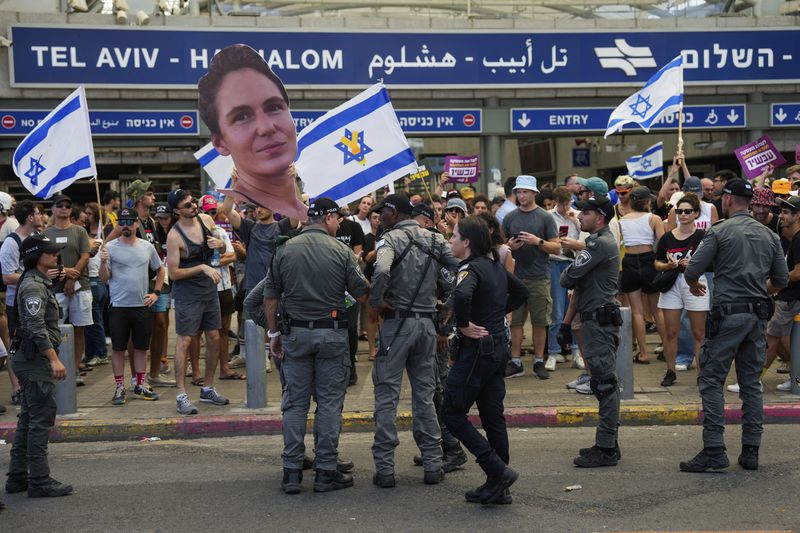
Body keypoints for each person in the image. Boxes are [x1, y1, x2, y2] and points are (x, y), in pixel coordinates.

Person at [680, 178, 788, 473]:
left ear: (727, 200)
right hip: (756, 316)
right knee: (751, 384)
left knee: (711, 379)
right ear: (750, 203)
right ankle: (751, 451)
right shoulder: (769, 236)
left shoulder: (719, 231)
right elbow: (781, 281)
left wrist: (693, 283)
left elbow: (693, 268)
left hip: (727, 314)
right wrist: (758, 290)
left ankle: (714, 449)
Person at [264, 197, 369, 494]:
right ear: (328, 219)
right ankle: (325, 471)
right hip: (332, 335)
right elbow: (362, 292)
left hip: (295, 334)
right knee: (329, 404)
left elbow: (270, 296)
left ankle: (292, 472)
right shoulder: (341, 251)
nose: (340, 224)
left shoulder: (285, 250)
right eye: (338, 219)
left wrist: (273, 335)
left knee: (295, 404)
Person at [369, 194, 459, 488]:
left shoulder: (388, 240)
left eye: (383, 212)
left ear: (394, 212)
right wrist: (452, 303)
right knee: (424, 395)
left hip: (397, 324)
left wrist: (376, 301)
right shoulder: (435, 239)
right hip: (426, 325)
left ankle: (385, 469)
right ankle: (433, 463)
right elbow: (461, 269)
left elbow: (382, 270)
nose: (381, 217)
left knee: (387, 396)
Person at [443, 216, 529, 504]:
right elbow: (520, 293)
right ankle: (498, 486)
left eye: (454, 235)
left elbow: (463, 294)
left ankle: (497, 471)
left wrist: (465, 324)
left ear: (466, 242)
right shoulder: (493, 265)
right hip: (497, 348)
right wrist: (495, 312)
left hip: (477, 351)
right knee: (493, 417)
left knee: (452, 412)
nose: (450, 240)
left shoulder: (469, 268)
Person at [199, 44, 307, 221]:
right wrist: (234, 185)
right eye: (241, 116)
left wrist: (292, 182)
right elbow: (226, 212)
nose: (266, 128)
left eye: (274, 107)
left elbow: (298, 219)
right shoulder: (250, 227)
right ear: (220, 142)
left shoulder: (284, 222)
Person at [6, 233, 73, 498]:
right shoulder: (34, 285)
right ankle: (39, 480)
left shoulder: (39, 282)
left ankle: (18, 477)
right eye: (50, 252)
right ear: (36, 256)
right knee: (40, 419)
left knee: (28, 419)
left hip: (30, 358)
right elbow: (35, 326)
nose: (56, 255)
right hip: (35, 361)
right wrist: (54, 358)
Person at [560, 196, 623, 468]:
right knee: (602, 381)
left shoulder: (598, 244)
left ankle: (606, 448)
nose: (579, 217)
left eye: (585, 213)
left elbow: (567, 278)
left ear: (599, 217)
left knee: (605, 383)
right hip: (594, 320)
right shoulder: (596, 244)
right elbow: (577, 286)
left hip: (599, 322)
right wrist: (565, 323)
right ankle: (609, 442)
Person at [165, 189, 228, 415]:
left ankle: (208, 388)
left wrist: (219, 244)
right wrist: (202, 267)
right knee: (184, 341)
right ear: (176, 211)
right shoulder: (175, 236)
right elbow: (173, 274)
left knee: (214, 337)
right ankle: (181, 395)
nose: (193, 207)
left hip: (209, 290)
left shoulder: (206, 219)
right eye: (188, 206)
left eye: (193, 203)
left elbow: (221, 247)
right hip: (187, 294)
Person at [99, 207, 164, 405]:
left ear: (137, 223)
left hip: (141, 305)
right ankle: (119, 387)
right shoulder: (109, 248)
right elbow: (104, 279)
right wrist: (103, 263)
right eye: (122, 222)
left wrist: (156, 293)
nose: (126, 225)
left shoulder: (146, 247)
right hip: (118, 305)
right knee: (118, 348)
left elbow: (160, 269)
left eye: (129, 221)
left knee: (141, 348)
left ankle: (140, 384)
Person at [501, 175, 560, 379]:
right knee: (515, 321)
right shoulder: (510, 217)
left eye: (525, 191)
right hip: (515, 276)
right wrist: (510, 246)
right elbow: (500, 246)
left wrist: (538, 241)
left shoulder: (545, 217)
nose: (521, 195)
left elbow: (557, 246)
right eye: (518, 191)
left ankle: (538, 360)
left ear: (534, 193)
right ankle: (516, 361)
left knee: (540, 320)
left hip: (539, 276)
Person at [654, 193, 708, 387]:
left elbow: (711, 262)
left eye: (687, 211)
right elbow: (657, 263)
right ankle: (670, 370)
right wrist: (669, 266)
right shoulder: (667, 237)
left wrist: (693, 263)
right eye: (679, 211)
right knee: (670, 331)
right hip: (672, 283)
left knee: (699, 332)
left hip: (695, 280)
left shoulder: (703, 236)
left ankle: (703, 373)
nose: (683, 214)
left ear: (696, 213)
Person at [43, 194, 92, 386]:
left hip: (80, 287)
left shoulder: (79, 231)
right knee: (54, 329)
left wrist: (73, 276)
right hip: (55, 288)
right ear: (53, 209)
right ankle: (56, 366)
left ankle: (76, 368)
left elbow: (85, 255)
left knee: (79, 329)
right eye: (60, 205)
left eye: (68, 205)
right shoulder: (46, 233)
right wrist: (65, 275)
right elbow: (45, 260)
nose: (64, 208)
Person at [1, 201, 43, 408]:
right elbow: (7, 276)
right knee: (16, 347)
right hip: (15, 303)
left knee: (37, 342)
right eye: (37, 213)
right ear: (29, 218)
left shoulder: (36, 239)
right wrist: (35, 276)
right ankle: (17, 387)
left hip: (36, 298)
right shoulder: (11, 242)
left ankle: (33, 385)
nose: (40, 216)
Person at [618, 186, 665, 365]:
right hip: (649, 260)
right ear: (647, 202)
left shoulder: (623, 220)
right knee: (656, 310)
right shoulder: (654, 218)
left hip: (629, 260)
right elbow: (662, 243)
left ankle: (643, 353)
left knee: (636, 311)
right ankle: (669, 350)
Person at [199, 195, 241, 382]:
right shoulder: (192, 232)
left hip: (223, 286)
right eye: (207, 211)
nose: (210, 214)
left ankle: (224, 367)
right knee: (197, 331)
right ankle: (197, 371)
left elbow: (232, 256)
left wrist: (212, 262)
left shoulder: (220, 232)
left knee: (223, 329)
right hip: (202, 287)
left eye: (213, 211)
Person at [762, 195, 800, 392]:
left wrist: (776, 280)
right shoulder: (794, 239)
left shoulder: (799, 239)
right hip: (788, 298)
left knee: (771, 338)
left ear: (797, 215)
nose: (781, 216)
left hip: (790, 299)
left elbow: (798, 273)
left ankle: (754, 382)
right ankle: (796, 379)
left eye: (786, 212)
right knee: (786, 342)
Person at [547, 186, 582, 369]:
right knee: (557, 311)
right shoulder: (549, 217)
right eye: (561, 204)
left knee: (574, 309)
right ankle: (553, 352)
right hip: (555, 263)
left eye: (567, 203)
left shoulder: (577, 215)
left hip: (573, 263)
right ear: (555, 203)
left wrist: (575, 221)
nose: (564, 208)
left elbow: (585, 235)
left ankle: (577, 352)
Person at [334, 211, 365, 385]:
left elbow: (357, 256)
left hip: (350, 288)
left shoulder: (354, 227)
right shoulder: (325, 230)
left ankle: (351, 367)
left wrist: (353, 260)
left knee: (351, 328)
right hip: (330, 287)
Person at [82, 202, 108, 367]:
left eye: (90, 214)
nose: (86, 216)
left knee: (95, 321)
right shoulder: (88, 236)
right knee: (88, 322)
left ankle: (101, 353)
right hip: (93, 282)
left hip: (95, 281)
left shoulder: (98, 238)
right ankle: (90, 353)